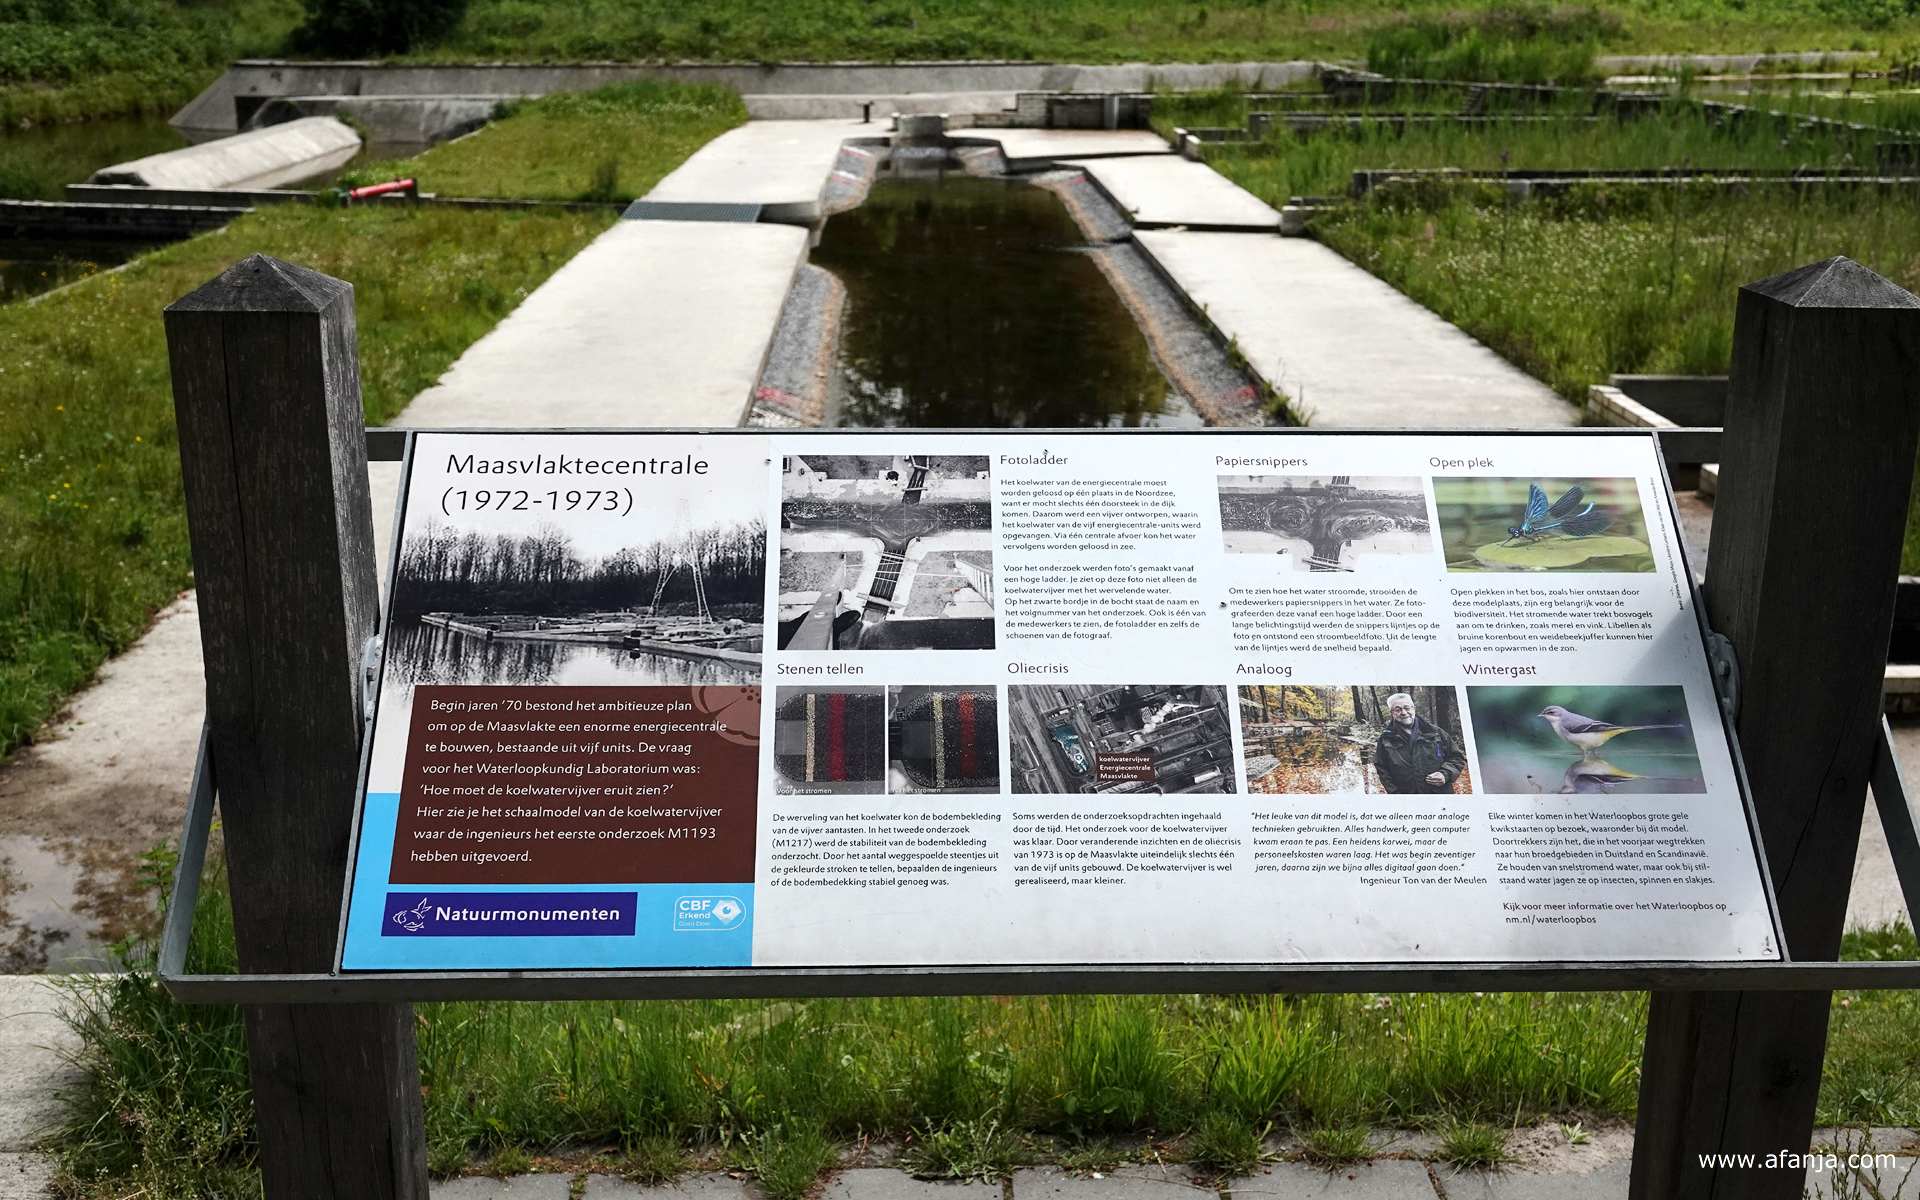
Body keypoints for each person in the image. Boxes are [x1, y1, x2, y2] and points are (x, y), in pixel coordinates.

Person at [1372, 692, 1466, 794]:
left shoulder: (1435, 733)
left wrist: (1445, 773)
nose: (1403, 712)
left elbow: (1457, 757)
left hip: (1440, 796)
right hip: (1407, 800)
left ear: (1414, 709)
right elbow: (1382, 769)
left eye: (1407, 708)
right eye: (1398, 709)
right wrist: (1395, 793)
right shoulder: (1385, 739)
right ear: (1392, 713)